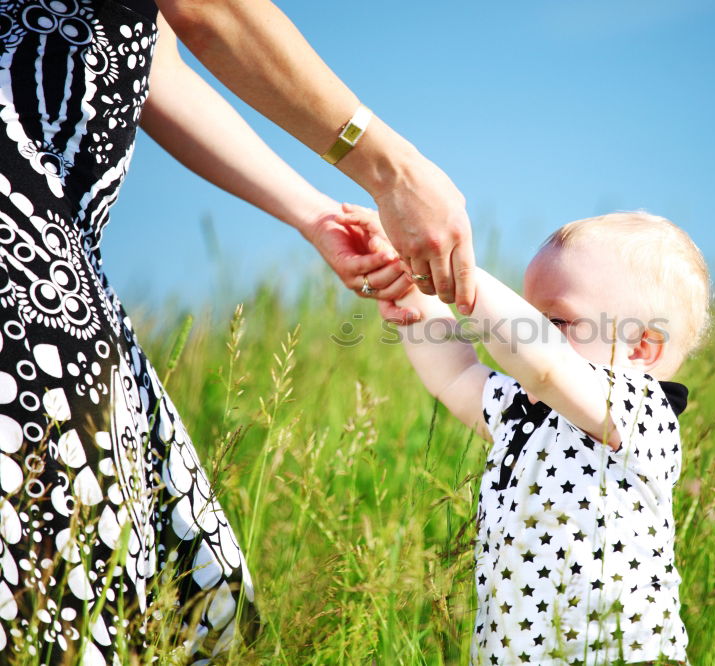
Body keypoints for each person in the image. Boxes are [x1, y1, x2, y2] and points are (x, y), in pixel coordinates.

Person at [0, 0, 468, 662]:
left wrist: (315, 214)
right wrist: (392, 167)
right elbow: (210, 9)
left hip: (62, 261)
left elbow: (154, 70)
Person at [338, 206, 710, 664]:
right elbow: (457, 376)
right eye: (530, 314)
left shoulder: (638, 413)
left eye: (555, 323)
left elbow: (544, 362)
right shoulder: (528, 408)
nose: (533, 332)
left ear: (639, 348)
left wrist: (457, 272)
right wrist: (411, 285)